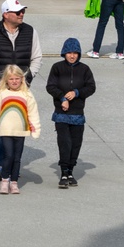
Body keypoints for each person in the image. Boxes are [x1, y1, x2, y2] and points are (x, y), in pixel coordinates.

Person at [0, 0, 42, 180]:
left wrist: (27, 78)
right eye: (17, 12)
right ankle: (0, 164)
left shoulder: (30, 31)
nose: (22, 14)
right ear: (5, 14)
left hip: (20, 88)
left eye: (23, 11)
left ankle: (13, 164)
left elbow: (37, 58)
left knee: (17, 122)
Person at [0, 66, 41, 195]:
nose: (14, 81)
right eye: (11, 79)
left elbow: (33, 112)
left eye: (17, 79)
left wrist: (35, 129)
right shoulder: (1, 94)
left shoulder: (27, 94)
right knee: (8, 156)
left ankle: (14, 182)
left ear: (22, 79)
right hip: (5, 130)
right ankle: (5, 181)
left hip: (20, 130)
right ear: (6, 80)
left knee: (17, 158)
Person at [46, 38, 96, 188]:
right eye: (69, 53)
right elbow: (50, 86)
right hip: (61, 113)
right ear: (64, 53)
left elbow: (91, 87)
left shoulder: (85, 69)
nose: (72, 56)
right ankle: (63, 172)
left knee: (75, 144)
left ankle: (70, 171)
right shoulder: (57, 67)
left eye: (75, 53)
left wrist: (77, 93)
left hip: (77, 114)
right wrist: (62, 97)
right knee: (64, 143)